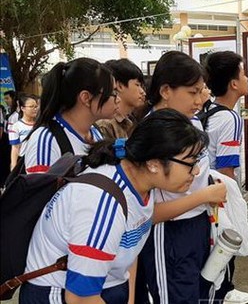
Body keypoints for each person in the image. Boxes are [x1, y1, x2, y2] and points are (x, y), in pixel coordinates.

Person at [19, 109, 210, 303]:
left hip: (104, 286)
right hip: (58, 293)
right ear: (154, 164)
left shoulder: (139, 181)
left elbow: (129, 244)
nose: (196, 171)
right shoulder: (101, 204)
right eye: (190, 162)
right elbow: (79, 297)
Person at [139, 51, 227, 304]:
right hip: (169, 233)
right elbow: (150, 213)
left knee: (201, 290)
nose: (200, 100)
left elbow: (197, 176)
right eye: (192, 92)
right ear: (166, 90)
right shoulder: (153, 133)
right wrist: (204, 195)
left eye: (202, 91)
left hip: (198, 224)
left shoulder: (193, 124)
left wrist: (209, 190)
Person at [203, 51, 248, 304]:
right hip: (218, 192)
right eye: (243, 73)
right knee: (226, 240)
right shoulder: (230, 118)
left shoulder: (208, 110)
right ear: (234, 83)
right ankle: (225, 292)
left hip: (203, 189)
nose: (246, 78)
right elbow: (226, 169)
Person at [22, 58, 118, 174]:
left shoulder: (95, 133)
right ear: (86, 98)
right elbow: (39, 190)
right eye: (113, 93)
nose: (118, 100)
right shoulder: (46, 140)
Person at [96, 59, 146, 139]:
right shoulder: (106, 125)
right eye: (137, 85)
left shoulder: (131, 121)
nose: (142, 92)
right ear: (119, 86)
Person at [8, 94, 39, 169]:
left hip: (38, 160)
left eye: (36, 106)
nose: (35, 109)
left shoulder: (40, 124)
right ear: (22, 108)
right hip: (24, 162)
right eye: (31, 107)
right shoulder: (16, 126)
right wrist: (13, 166)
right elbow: (15, 148)